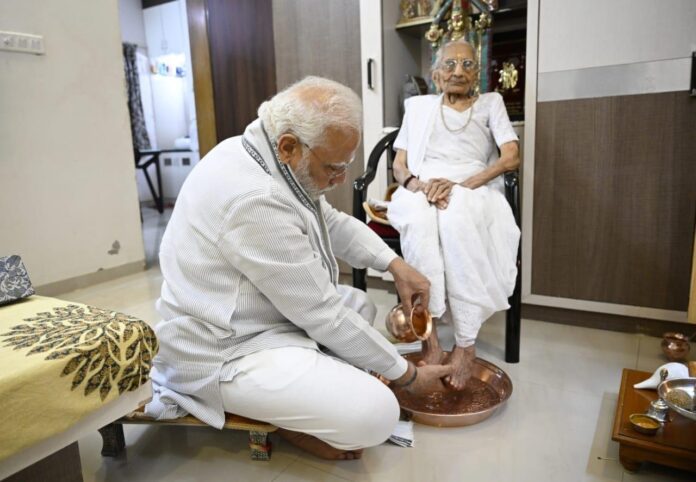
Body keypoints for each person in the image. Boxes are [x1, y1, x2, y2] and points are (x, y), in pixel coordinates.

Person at [144, 76, 453, 460]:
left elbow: (332, 222)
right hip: (226, 349)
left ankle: (292, 407)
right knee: (377, 413)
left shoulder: (264, 155)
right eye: (335, 167)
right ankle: (276, 416)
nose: (341, 179)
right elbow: (322, 314)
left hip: (258, 313)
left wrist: (395, 264)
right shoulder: (254, 198)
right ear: (290, 146)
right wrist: (408, 377)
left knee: (358, 305)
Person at [387, 39, 521, 391]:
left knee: (456, 220)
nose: (458, 71)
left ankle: (465, 341)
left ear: (477, 72)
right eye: (449, 65)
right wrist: (418, 185)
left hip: (471, 186)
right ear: (435, 74)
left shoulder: (491, 103)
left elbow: (510, 157)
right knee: (418, 222)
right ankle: (428, 336)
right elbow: (399, 165)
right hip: (422, 185)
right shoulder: (417, 107)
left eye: (467, 64)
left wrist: (460, 184)